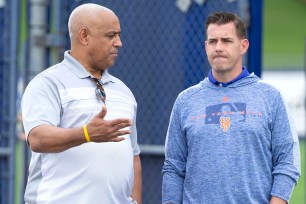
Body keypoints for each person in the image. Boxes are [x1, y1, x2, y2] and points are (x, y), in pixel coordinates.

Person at [162, 11, 300, 204]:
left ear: (243, 46)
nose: (218, 47)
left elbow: (287, 162)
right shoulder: (185, 100)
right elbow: (173, 167)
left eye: (226, 41)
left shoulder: (270, 97)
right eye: (213, 41)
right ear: (206, 46)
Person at [21, 3, 142, 204]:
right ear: (84, 36)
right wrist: (86, 134)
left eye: (119, 35)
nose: (119, 42)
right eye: (110, 35)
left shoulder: (124, 92)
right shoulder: (48, 83)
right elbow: (38, 138)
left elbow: (133, 156)